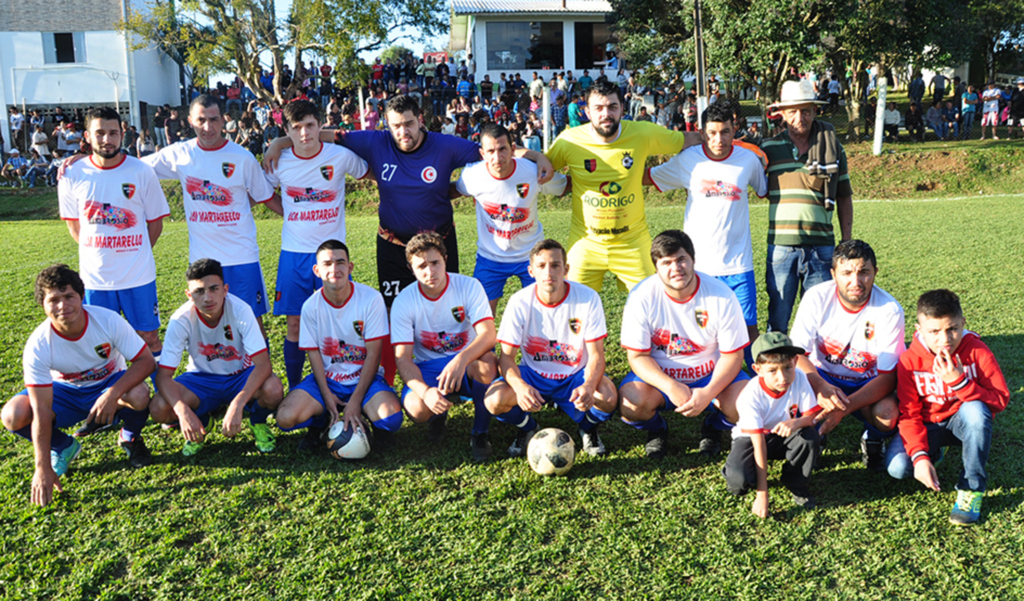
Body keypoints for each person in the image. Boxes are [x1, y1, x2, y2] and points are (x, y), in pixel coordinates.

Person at [2, 265, 156, 506]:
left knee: (138, 393)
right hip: (66, 394)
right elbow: (42, 409)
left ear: (81, 297)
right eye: (53, 299)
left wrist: (112, 393)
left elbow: (146, 361)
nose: (63, 305)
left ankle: (130, 437)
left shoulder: (106, 320)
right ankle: (64, 446)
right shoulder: (38, 345)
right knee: (13, 415)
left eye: (69, 296)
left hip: (108, 384)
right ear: (42, 304)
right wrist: (41, 467)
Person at [645, 102, 768, 367]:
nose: (718, 139)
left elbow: (764, 189)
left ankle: (759, 384)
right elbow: (650, 178)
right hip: (698, 267)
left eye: (725, 132)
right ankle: (704, 379)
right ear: (702, 132)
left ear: (734, 130)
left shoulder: (747, 160)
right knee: (701, 330)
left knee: (748, 329)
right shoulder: (688, 160)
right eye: (712, 133)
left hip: (738, 265)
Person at [57, 107, 168, 395]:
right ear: (87, 136)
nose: (107, 139)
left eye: (113, 132)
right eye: (100, 133)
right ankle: (115, 403)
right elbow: (74, 226)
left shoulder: (141, 171)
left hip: (138, 276)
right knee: (103, 346)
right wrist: (101, 252)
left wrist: (135, 251)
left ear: (122, 134)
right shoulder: (72, 173)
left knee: (149, 338)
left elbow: (154, 223)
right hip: (96, 280)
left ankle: (161, 401)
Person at [546, 81, 698, 293]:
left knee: (653, 302)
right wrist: (521, 154)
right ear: (587, 112)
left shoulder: (642, 133)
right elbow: (539, 168)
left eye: (612, 107)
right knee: (572, 307)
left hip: (633, 242)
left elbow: (686, 140)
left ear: (622, 109)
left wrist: (734, 146)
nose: (606, 114)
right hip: (586, 242)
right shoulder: (569, 141)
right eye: (598, 108)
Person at [142, 95, 277, 331]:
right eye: (201, 120)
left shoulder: (242, 158)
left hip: (242, 256)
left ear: (223, 121)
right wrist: (88, 160)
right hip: (203, 260)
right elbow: (133, 167)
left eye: (214, 120)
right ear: (190, 121)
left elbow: (264, 195)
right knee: (209, 324)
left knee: (252, 324)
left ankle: (263, 369)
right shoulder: (180, 153)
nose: (208, 127)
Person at [263, 100, 369, 389]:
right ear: (287, 130)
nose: (305, 133)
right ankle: (297, 387)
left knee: (338, 323)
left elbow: (367, 173)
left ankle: (344, 381)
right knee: (295, 325)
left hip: (332, 256)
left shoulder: (340, 156)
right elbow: (262, 192)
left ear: (320, 124)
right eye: (296, 128)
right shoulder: (279, 161)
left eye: (310, 125)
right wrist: (289, 210)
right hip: (294, 255)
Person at [618, 230, 751, 459]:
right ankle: (656, 429)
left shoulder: (722, 295)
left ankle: (713, 426)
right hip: (661, 378)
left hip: (710, 375)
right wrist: (670, 386)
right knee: (632, 403)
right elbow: (637, 357)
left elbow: (733, 356)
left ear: (693, 260)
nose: (676, 268)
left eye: (681, 259)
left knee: (748, 404)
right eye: (666, 262)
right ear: (656, 267)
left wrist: (708, 392)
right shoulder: (641, 296)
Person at [884, 290, 1009, 526]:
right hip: (928, 424)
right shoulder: (909, 360)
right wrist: (919, 455)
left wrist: (959, 383)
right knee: (899, 467)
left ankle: (971, 488)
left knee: (975, 412)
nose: (945, 340)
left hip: (963, 421)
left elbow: (1000, 399)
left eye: (952, 328)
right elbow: (909, 414)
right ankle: (933, 452)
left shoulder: (977, 350)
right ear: (919, 329)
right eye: (934, 331)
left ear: (963, 323)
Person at [485, 239, 618, 457]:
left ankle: (587, 428)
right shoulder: (519, 301)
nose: (549, 272)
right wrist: (519, 387)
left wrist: (589, 384)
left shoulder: (587, 298)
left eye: (556, 265)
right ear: (531, 271)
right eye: (541, 266)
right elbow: (506, 358)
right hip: (534, 374)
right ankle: (527, 427)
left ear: (566, 269)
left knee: (609, 396)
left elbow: (596, 355)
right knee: (494, 400)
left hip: (575, 375)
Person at [274, 240, 403, 449]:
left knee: (391, 418)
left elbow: (373, 354)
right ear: (317, 270)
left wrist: (355, 400)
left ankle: (367, 417)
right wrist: (326, 395)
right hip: (328, 381)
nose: (334, 269)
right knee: (286, 417)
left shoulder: (370, 299)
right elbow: (314, 356)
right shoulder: (310, 307)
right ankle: (321, 421)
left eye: (340, 262)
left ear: (350, 267)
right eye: (327, 264)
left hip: (365, 380)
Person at [789, 239, 905, 471]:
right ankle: (815, 435)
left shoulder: (889, 310)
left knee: (888, 414)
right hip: (823, 377)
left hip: (867, 382)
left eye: (864, 272)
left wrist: (844, 408)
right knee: (789, 395)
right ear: (833, 274)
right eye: (847, 272)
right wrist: (820, 385)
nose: (856, 281)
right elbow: (797, 354)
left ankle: (872, 437)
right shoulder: (816, 297)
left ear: (875, 273)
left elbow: (888, 377)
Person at [150, 259, 284, 455]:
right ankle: (203, 422)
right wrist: (182, 412)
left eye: (214, 289)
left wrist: (237, 404)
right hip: (201, 379)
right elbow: (163, 376)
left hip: (239, 375)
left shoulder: (241, 310)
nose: (208, 297)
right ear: (189, 295)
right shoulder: (180, 320)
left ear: (225, 289)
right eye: (199, 292)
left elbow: (263, 365)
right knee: (159, 407)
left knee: (273, 389)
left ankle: (258, 422)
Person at [390, 232, 497, 461]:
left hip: (467, 364)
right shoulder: (404, 301)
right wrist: (425, 391)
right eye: (421, 267)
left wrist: (460, 360)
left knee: (487, 363)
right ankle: (437, 414)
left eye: (435, 263)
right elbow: (403, 359)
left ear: (445, 259)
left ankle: (480, 432)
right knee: (416, 409)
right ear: (411, 269)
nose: (430, 272)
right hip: (429, 367)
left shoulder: (468, 286)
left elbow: (488, 335)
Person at [760, 80, 853, 333]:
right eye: (792, 111)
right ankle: (774, 366)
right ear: (782, 114)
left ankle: (817, 370)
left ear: (814, 110)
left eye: (805, 110)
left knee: (820, 318)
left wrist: (846, 241)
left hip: (822, 247)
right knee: (778, 316)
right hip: (781, 246)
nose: (799, 117)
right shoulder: (768, 149)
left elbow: (844, 196)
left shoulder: (833, 148)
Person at [452, 123, 567, 314]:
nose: (497, 157)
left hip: (531, 255)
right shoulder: (472, 175)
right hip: (491, 257)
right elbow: (453, 190)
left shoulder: (532, 171)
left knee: (543, 313)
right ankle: (488, 346)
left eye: (502, 149)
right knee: (481, 316)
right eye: (490, 151)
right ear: (482, 154)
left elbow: (565, 186)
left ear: (513, 149)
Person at [723, 332, 825, 516]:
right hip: (753, 439)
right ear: (757, 369)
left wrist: (796, 422)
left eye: (788, 367)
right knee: (738, 484)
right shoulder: (750, 396)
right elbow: (758, 442)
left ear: (795, 361)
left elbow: (812, 416)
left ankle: (796, 483)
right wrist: (763, 494)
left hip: (783, 435)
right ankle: (733, 467)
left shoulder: (799, 377)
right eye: (772, 371)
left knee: (809, 437)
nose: (783, 377)